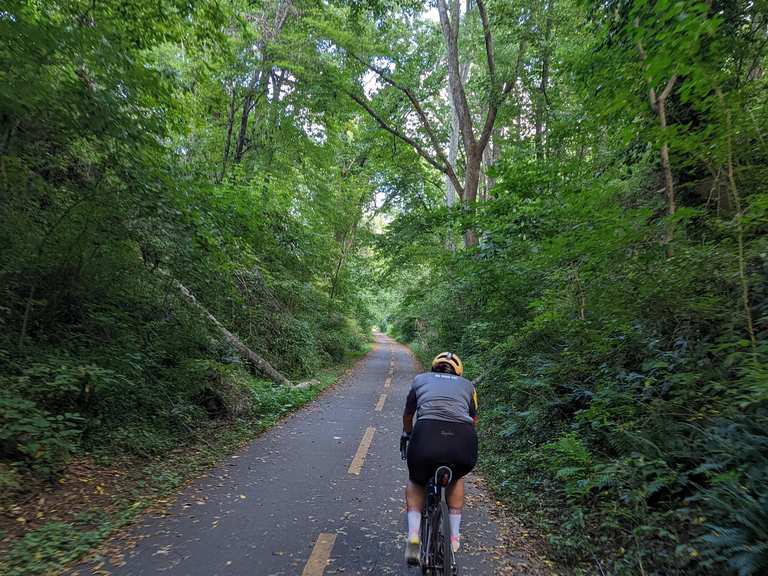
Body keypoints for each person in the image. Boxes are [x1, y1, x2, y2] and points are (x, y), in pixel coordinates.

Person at [400, 351, 478, 565]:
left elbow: (408, 415)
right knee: (457, 477)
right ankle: (454, 537)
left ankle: (414, 539)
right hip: (463, 440)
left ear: (434, 367)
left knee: (417, 480)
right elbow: (473, 420)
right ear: (458, 371)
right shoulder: (468, 386)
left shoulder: (420, 380)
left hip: (426, 436)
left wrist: (407, 434)